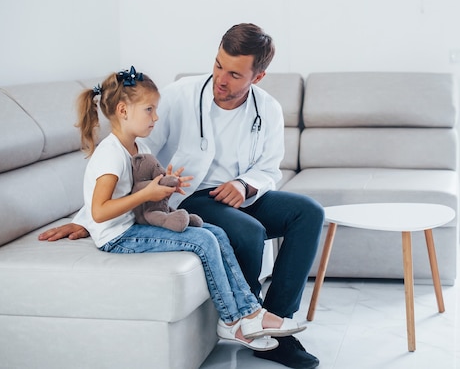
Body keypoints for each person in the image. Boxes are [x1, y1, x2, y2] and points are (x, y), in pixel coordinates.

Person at [40, 24, 324, 369]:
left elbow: (268, 170)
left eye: (235, 74)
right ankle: (246, 317)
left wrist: (245, 186)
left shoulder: (269, 110)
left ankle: (276, 327)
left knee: (309, 212)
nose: (221, 79)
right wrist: (87, 218)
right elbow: (134, 157)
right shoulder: (180, 95)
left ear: (258, 76)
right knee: (249, 232)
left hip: (240, 194)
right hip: (190, 195)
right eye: (218, 65)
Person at [68, 65, 306, 353]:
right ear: (123, 111)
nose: (156, 117)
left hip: (134, 224)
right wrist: (147, 193)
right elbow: (100, 211)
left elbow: (134, 189)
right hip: (118, 235)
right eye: (149, 110)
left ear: (257, 76)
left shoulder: (134, 149)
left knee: (215, 233)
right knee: (205, 239)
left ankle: (252, 313)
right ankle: (232, 319)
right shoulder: (111, 154)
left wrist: (163, 185)